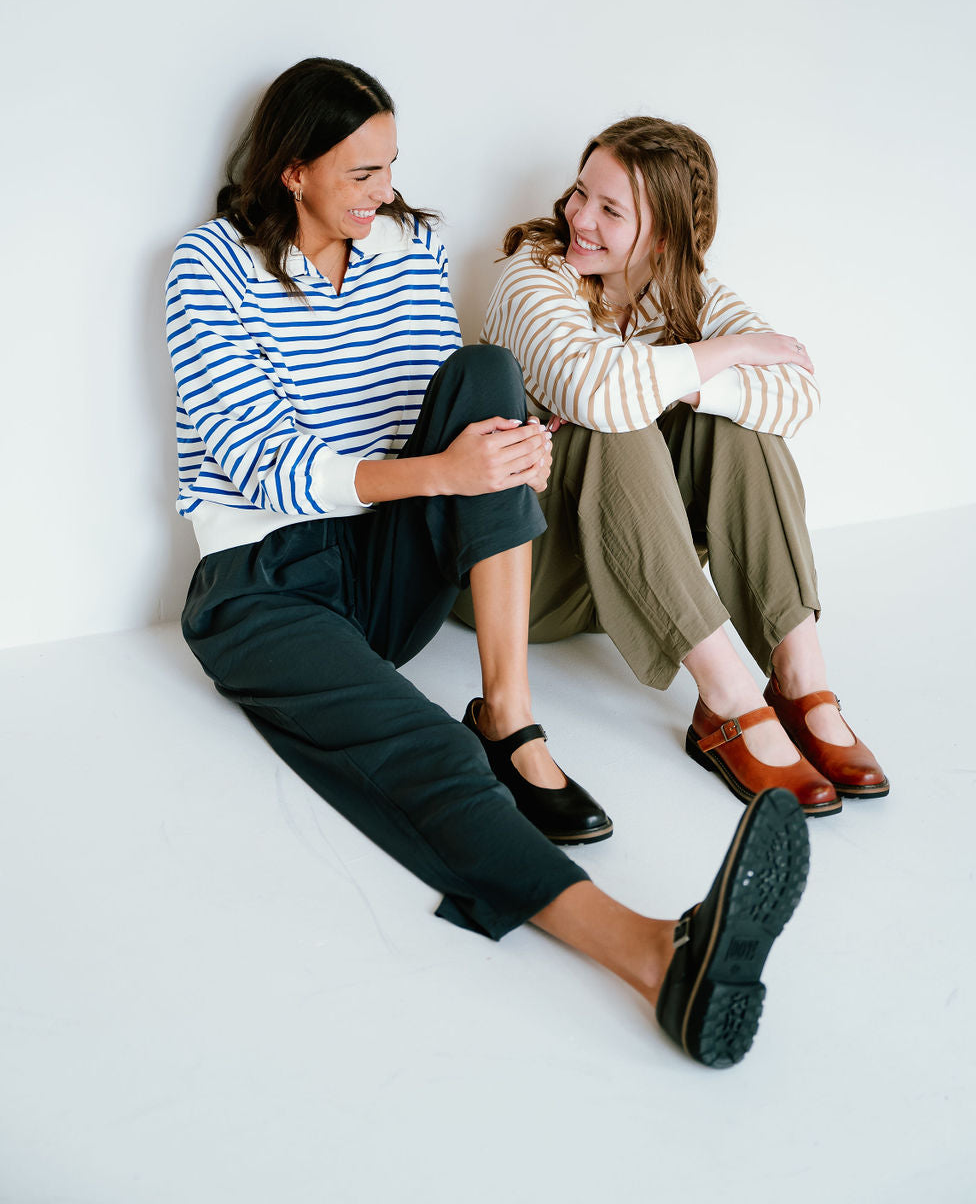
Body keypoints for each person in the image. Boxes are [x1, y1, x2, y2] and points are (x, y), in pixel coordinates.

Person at [165, 59, 811, 1069]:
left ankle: (510, 712)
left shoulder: (407, 246)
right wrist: (442, 470)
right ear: (292, 172)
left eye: (390, 168)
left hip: (388, 567)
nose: (384, 195)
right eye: (360, 174)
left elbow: (444, 393)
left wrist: (504, 451)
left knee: (490, 373)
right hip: (264, 587)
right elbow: (256, 458)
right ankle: (653, 955)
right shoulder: (206, 267)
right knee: (421, 752)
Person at [457, 115, 888, 818]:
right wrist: (727, 354)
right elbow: (593, 387)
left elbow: (797, 394)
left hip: (629, 563)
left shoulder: (689, 292)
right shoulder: (533, 274)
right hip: (521, 572)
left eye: (609, 210)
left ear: (665, 237)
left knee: (742, 426)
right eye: (579, 193)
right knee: (610, 418)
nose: (578, 218)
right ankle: (728, 700)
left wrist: (696, 384)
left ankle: (800, 679)